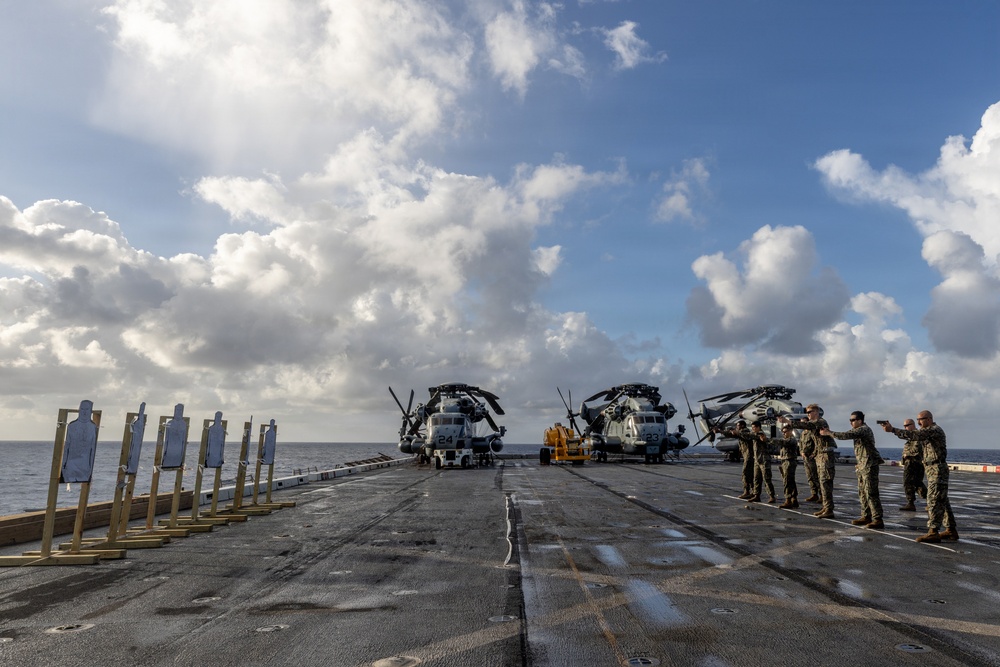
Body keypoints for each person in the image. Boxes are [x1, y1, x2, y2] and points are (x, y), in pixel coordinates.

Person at [882, 411, 957, 543]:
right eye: (917, 420)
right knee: (942, 500)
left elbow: (915, 434)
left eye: (921, 420)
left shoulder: (934, 430)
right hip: (932, 468)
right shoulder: (927, 431)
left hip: (937, 468)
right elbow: (913, 437)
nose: (918, 423)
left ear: (929, 419)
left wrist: (893, 430)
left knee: (934, 500)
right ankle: (951, 530)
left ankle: (933, 532)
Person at [822, 411, 884, 529]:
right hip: (862, 465)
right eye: (850, 420)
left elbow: (845, 435)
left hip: (870, 465)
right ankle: (866, 516)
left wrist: (829, 433)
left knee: (871, 492)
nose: (851, 422)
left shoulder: (863, 429)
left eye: (853, 420)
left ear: (860, 420)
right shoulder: (858, 431)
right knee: (862, 492)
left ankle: (877, 519)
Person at [782, 404, 836, 519]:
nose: (808, 414)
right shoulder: (814, 426)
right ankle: (826, 508)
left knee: (825, 483)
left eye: (810, 412)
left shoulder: (820, 422)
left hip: (826, 456)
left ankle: (829, 509)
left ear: (816, 412)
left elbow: (807, 425)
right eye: (807, 412)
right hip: (820, 456)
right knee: (822, 482)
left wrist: (789, 421)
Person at [717, 419, 760, 500]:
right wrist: (720, 431)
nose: (737, 427)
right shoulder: (740, 433)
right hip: (747, 456)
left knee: (746, 474)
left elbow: (743, 435)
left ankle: (747, 492)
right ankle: (752, 491)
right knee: (750, 475)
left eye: (738, 425)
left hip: (749, 456)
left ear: (742, 426)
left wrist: (735, 432)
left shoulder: (745, 432)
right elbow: (731, 434)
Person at [760, 423, 799, 508]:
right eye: (783, 432)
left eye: (785, 432)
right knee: (790, 481)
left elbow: (781, 442)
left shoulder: (791, 440)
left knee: (787, 481)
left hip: (789, 461)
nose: (784, 433)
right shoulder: (786, 439)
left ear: (790, 431)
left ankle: (788, 500)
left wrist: (768, 439)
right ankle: (793, 498)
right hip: (785, 461)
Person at [899, 418, 927, 511]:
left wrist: (908, 454)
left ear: (912, 425)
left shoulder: (917, 435)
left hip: (914, 463)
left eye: (907, 425)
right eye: (904, 426)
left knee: (911, 483)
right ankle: (927, 501)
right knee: (914, 484)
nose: (905, 428)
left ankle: (913, 502)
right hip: (910, 463)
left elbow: (918, 449)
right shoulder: (911, 437)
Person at [749, 420, 776, 503]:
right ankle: (756, 495)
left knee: (767, 479)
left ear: (758, 427)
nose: (753, 429)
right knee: (756, 478)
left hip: (764, 460)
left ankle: (772, 496)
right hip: (757, 460)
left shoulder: (761, 434)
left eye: (754, 427)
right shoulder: (755, 435)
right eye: (752, 427)